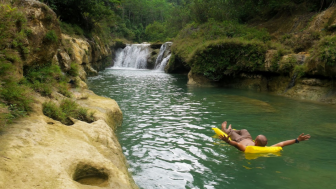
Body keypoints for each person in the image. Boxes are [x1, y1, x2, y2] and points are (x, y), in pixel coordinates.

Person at [219, 121, 311, 152]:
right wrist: (297, 140)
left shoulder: (246, 148)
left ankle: (226, 129)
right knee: (244, 130)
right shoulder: (268, 147)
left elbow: (236, 144)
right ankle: (231, 130)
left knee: (231, 133)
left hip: (239, 139)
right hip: (247, 138)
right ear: (266, 143)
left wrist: (227, 141)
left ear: (255, 142)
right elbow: (282, 143)